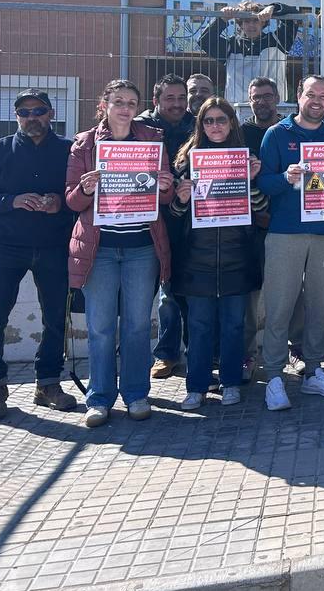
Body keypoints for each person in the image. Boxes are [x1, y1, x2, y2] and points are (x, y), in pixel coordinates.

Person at [65, 80, 174, 427]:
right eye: (118, 102)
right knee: (99, 327)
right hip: (100, 250)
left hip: (142, 248)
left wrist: (166, 185)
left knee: (139, 325)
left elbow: (166, 199)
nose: (125, 108)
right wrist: (84, 188)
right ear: (104, 105)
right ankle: (99, 399)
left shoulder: (152, 140)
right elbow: (71, 200)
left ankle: (136, 394)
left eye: (131, 102)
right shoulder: (84, 143)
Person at [0, 88, 77, 421]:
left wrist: (61, 203)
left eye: (39, 110)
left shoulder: (70, 151)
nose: (32, 118)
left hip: (53, 244)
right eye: (24, 112)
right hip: (4, 245)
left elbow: (82, 194)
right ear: (16, 116)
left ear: (51, 113)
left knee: (57, 317)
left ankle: (47, 384)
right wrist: (11, 201)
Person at [256, 74, 324, 410]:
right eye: (311, 94)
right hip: (285, 233)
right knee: (279, 305)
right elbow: (262, 183)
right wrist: (285, 179)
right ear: (298, 96)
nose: (317, 101)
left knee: (319, 304)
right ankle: (274, 376)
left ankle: (314, 371)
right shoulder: (277, 134)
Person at [169, 97, 264, 410]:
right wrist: (181, 199)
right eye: (208, 121)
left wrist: (251, 182)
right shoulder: (187, 160)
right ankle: (196, 386)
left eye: (221, 120)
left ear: (232, 122)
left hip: (238, 257)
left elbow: (263, 210)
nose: (215, 126)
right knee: (198, 328)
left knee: (234, 326)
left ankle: (231, 382)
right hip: (197, 260)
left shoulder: (246, 159)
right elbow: (174, 214)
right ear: (200, 125)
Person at [239, 76, 299, 382]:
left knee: (294, 290)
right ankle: (247, 354)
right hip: (250, 227)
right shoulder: (240, 133)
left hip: (287, 224)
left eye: (266, 95)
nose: (261, 101)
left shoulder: (290, 130)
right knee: (250, 293)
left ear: (278, 97)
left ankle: (297, 350)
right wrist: (255, 212)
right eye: (255, 97)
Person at [137, 73, 194, 381]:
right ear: (156, 100)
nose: (177, 104)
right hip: (152, 217)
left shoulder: (197, 124)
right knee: (166, 291)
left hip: (190, 216)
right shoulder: (141, 128)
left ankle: (194, 353)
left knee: (187, 290)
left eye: (181, 98)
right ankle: (167, 354)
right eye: (170, 98)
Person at [198, 0, 301, 105]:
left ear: (263, 22)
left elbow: (295, 16)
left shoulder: (278, 40)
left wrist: (273, 8)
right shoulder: (231, 45)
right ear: (240, 24)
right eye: (247, 21)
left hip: (273, 108)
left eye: (255, 20)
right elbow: (204, 41)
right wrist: (222, 19)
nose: (251, 25)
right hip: (237, 108)